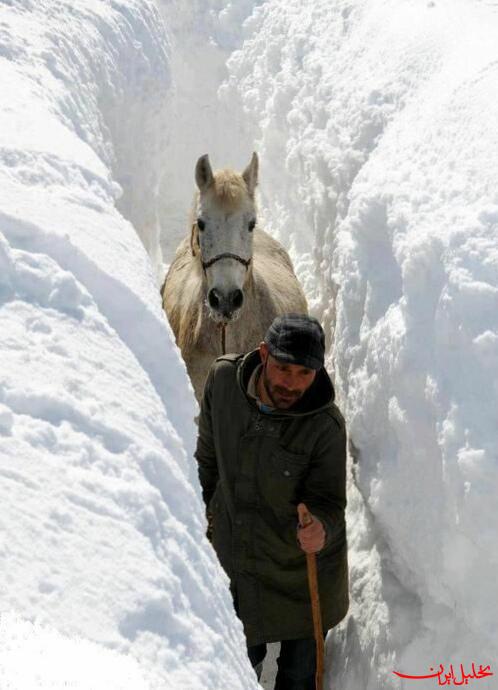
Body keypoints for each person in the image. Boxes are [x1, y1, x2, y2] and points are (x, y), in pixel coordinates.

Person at [194, 313, 349, 689]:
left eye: (304, 374)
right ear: (264, 354)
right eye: (283, 368)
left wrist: (321, 528)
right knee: (235, 673)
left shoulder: (325, 426)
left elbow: (330, 502)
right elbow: (206, 461)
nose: (291, 384)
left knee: (299, 679)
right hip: (238, 562)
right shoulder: (224, 381)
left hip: (301, 573)